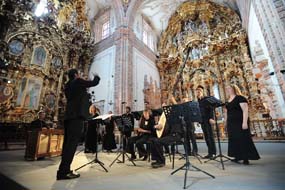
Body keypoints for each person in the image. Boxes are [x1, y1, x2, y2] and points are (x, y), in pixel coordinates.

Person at [57, 69, 100, 180]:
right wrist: (96, 76)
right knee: (71, 145)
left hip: (68, 117)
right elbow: (93, 83)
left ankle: (63, 170)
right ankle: (63, 172)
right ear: (76, 75)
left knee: (67, 144)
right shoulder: (78, 81)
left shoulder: (67, 85)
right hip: (77, 117)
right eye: (79, 74)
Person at [224, 84, 260, 165]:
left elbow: (245, 110)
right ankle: (237, 156)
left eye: (229, 88)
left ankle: (245, 158)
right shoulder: (227, 100)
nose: (227, 89)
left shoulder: (240, 98)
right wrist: (226, 123)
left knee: (242, 139)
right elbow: (226, 113)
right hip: (231, 123)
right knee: (234, 139)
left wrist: (244, 122)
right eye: (226, 88)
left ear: (234, 89)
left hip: (240, 122)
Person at [151, 99, 184, 168]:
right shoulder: (167, 116)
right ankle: (157, 159)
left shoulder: (177, 113)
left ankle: (161, 161)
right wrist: (158, 126)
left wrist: (172, 100)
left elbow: (177, 108)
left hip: (176, 135)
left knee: (157, 142)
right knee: (153, 140)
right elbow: (164, 126)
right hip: (169, 135)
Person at [195, 85, 216, 159]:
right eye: (197, 91)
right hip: (202, 120)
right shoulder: (198, 101)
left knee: (210, 136)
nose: (198, 92)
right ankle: (209, 153)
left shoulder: (206, 99)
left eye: (200, 91)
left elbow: (211, 109)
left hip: (208, 119)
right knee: (206, 137)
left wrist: (211, 118)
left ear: (202, 92)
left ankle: (213, 153)